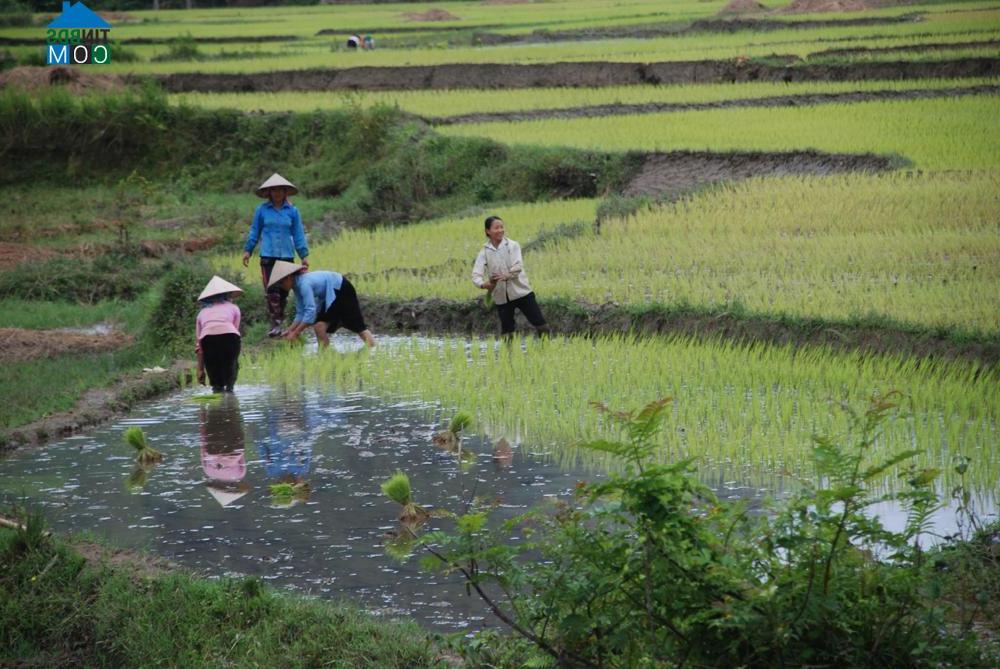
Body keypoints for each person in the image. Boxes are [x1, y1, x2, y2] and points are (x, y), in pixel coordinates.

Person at [242, 173, 309, 338]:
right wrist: (248, 250)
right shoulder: (262, 210)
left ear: (285, 192)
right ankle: (276, 323)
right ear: (269, 192)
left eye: (280, 190)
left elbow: (298, 233)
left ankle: (281, 321)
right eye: (274, 190)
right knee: (271, 291)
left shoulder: (292, 211)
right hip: (268, 256)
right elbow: (255, 231)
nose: (277, 193)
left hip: (286, 256)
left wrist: (304, 254)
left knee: (284, 291)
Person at [267, 260, 376, 349]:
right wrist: (290, 330)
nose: (281, 286)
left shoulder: (304, 284)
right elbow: (301, 312)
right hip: (330, 294)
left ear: (288, 277)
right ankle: (324, 356)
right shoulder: (297, 287)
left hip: (341, 288)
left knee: (358, 326)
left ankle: (373, 352)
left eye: (281, 282)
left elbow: (310, 311)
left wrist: (296, 333)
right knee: (319, 326)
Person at [472, 215, 549, 338]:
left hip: (521, 292)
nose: (500, 230)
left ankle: (546, 350)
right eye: (496, 228)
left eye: (502, 227)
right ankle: (509, 356)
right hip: (501, 296)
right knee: (507, 332)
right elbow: (476, 275)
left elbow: (518, 266)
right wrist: (484, 284)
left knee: (541, 325)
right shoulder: (484, 252)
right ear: (487, 231)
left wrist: (506, 275)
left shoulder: (512, 245)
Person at [195, 276, 242, 393]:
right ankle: (230, 390)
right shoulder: (234, 308)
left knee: (213, 367)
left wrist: (200, 369)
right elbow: (235, 331)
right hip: (230, 336)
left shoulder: (202, 313)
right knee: (232, 363)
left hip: (208, 338)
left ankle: (217, 389)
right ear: (227, 295)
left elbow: (199, 346)